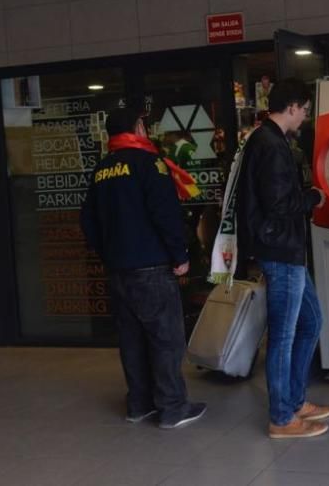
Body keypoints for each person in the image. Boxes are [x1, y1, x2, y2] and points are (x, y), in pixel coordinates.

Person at [80, 107, 206, 430]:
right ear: (137, 127)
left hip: (119, 271)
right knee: (166, 339)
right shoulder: (150, 164)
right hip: (151, 268)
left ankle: (139, 404)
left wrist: (109, 255)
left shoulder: (101, 169)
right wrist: (179, 256)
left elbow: (88, 222)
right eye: (143, 124)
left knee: (132, 339)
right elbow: (165, 214)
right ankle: (173, 407)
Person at [236, 78, 329, 439]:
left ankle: (294, 400)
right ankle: (281, 417)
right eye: (305, 110)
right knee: (284, 334)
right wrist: (313, 197)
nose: (305, 118)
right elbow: (279, 205)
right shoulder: (271, 145)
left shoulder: (268, 140)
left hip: (286, 249)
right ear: (291, 107)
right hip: (281, 250)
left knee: (311, 322)